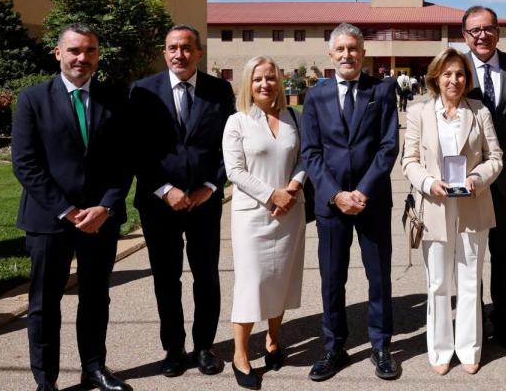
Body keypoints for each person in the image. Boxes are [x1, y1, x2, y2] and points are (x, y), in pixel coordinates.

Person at [12, 23, 133, 391]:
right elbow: (25, 164)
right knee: (44, 304)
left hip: (100, 220)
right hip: (50, 220)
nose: (83, 58)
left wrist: (106, 207)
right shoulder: (33, 99)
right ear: (58, 53)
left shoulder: (116, 99)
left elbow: (124, 161)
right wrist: (66, 210)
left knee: (96, 298)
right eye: (75, 51)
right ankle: (45, 380)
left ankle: (94, 368)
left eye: (90, 51)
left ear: (98, 55)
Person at [130, 24, 236, 378]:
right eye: (173, 48)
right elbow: (136, 150)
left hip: (204, 201)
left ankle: (205, 346)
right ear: (165, 53)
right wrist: (164, 189)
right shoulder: (142, 92)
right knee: (166, 277)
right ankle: (173, 348)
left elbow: (230, 147)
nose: (180, 54)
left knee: (206, 275)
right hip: (158, 203)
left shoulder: (219, 91)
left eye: (187, 48)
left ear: (199, 53)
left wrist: (210, 185)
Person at [300, 23, 401, 381]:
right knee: (332, 278)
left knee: (379, 277)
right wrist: (335, 194)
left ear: (363, 53)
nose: (347, 55)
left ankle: (380, 345)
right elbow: (310, 152)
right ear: (331, 54)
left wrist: (363, 191)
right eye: (340, 49)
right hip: (331, 204)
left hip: (371, 200)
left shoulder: (383, 90)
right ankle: (334, 347)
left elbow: (389, 146)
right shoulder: (316, 95)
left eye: (353, 49)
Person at [401, 48, 503, 375]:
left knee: (471, 281)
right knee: (438, 284)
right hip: (434, 206)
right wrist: (428, 182)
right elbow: (409, 160)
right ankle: (441, 350)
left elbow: (496, 158)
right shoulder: (418, 112)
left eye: (459, 74)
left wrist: (477, 178)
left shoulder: (479, 112)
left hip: (473, 206)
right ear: (436, 78)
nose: (454, 80)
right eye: (447, 74)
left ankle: (470, 348)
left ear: (466, 78)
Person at [221, 56, 307, 389]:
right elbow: (235, 172)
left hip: (290, 212)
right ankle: (240, 354)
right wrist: (274, 195)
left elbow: (304, 157)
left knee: (280, 280)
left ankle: (273, 340)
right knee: (251, 283)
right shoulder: (237, 121)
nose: (264, 84)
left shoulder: (292, 118)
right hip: (253, 216)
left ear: (279, 82)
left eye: (271, 78)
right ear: (248, 83)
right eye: (257, 79)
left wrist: (294, 187)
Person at [462, 5, 506, 349]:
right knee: (470, 254)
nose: (482, 35)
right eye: (475, 30)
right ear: (465, 35)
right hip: (468, 181)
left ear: (499, 32)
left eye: (488, 28)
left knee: (503, 254)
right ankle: (472, 319)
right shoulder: (456, 68)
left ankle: (502, 321)